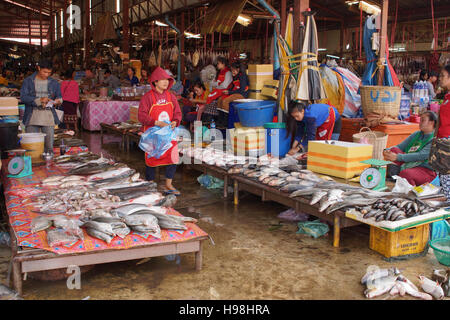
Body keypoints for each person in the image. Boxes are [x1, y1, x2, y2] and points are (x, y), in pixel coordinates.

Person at [138, 67, 182, 196]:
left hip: (168, 134)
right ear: (155, 82)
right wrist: (156, 122)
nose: (166, 82)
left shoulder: (171, 96)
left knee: (172, 158)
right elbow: (141, 116)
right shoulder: (148, 97)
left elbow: (177, 112)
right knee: (152, 160)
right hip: (152, 134)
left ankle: (168, 184)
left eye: (167, 80)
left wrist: (175, 121)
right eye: (162, 80)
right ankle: (150, 183)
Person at [20, 59, 63, 154]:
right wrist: (39, 100)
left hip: (48, 117)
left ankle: (48, 164)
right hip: (32, 117)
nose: (46, 75)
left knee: (49, 147)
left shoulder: (54, 83)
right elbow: (23, 98)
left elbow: (59, 97)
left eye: (49, 73)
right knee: (32, 147)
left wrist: (58, 101)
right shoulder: (28, 81)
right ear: (38, 68)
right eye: (44, 72)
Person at [383, 111, 437, 186]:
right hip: (409, 164)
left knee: (406, 174)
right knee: (393, 150)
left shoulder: (435, 139)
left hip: (425, 170)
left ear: (432, 123)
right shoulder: (416, 134)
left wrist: (397, 157)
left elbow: (421, 155)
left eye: (423, 120)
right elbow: (399, 147)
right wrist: (387, 150)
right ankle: (393, 179)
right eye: (420, 120)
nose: (420, 123)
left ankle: (407, 189)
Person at [435, 64, 450, 202]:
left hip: (448, 142)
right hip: (442, 140)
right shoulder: (446, 97)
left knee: (446, 177)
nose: (440, 78)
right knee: (443, 176)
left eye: (443, 76)